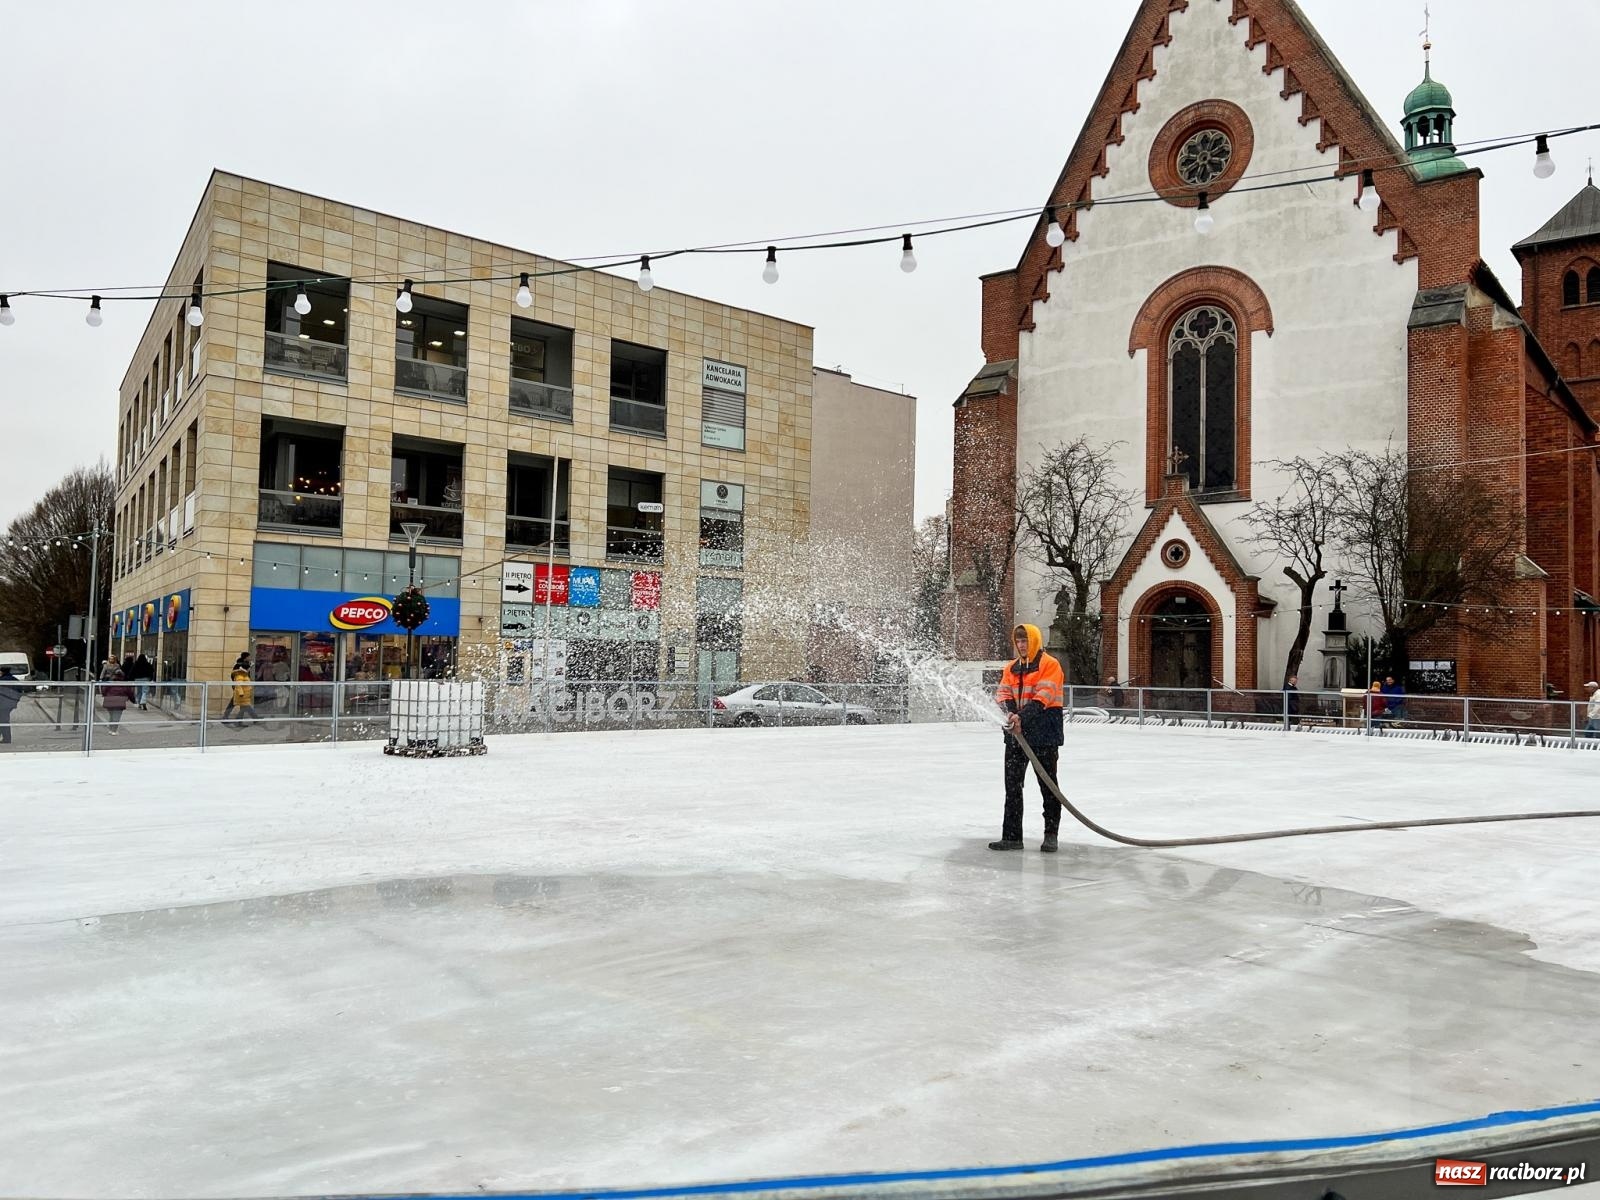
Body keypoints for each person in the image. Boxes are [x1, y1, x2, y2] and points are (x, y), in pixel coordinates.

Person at [990, 623, 1066, 853]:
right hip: (1016, 734)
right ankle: (1012, 836)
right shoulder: (1011, 668)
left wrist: (1021, 717)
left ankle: (1050, 834)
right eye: (1019, 641)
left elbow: (1044, 697)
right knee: (1012, 786)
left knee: (1048, 785)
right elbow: (1002, 693)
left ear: (1033, 641)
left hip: (1044, 732)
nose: (1022, 645)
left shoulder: (1049, 665)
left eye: (1025, 641)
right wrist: (1012, 714)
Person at [222, 654, 261, 726]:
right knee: (243, 705)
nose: (250, 658)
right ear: (246, 657)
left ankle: (235, 720)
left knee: (241, 705)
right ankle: (254, 719)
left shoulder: (243, 665)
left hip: (242, 689)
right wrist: (238, 689)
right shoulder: (240, 666)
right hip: (240, 689)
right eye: (249, 656)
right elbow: (238, 676)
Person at [100, 669, 133, 734]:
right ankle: (114, 730)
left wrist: (106, 696)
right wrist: (133, 700)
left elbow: (103, 691)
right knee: (117, 716)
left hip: (109, 701)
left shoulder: (110, 683)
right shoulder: (124, 684)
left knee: (112, 715)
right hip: (119, 702)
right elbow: (130, 693)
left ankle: (110, 729)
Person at [0, 665, 21, 745]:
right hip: (10, 703)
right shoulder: (14, 679)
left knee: (3, 720)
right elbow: (20, 690)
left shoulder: (1, 680)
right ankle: (6, 737)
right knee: (3, 719)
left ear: (2, 672)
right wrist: (16, 700)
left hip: (2, 704)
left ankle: (7, 738)